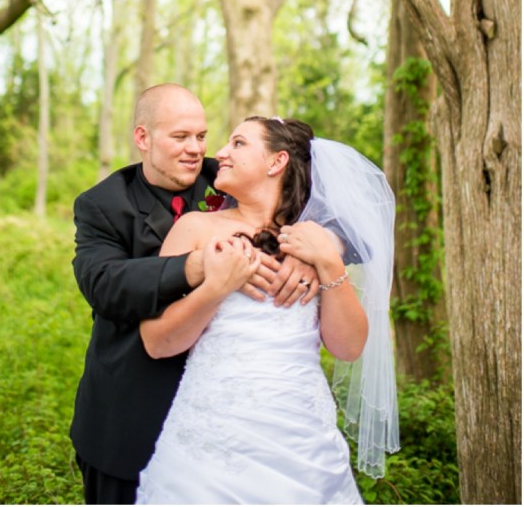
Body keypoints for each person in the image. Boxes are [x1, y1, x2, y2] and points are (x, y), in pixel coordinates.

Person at [70, 86, 318, 505]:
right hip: (131, 408)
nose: (195, 149)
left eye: (201, 136)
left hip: (230, 414)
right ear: (143, 138)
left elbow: (336, 213)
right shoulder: (103, 205)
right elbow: (104, 284)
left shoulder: (227, 173)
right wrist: (198, 265)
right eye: (180, 137)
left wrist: (312, 254)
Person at [136, 115, 400, 505]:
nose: (220, 153)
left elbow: (348, 348)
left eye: (238, 143)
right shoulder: (194, 229)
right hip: (208, 444)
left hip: (302, 441)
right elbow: (157, 343)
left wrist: (328, 262)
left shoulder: (316, 241)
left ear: (276, 162)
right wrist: (217, 287)